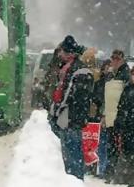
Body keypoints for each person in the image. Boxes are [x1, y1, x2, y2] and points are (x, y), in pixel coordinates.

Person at [51, 35, 94, 180]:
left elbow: (70, 97)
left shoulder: (78, 71)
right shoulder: (69, 68)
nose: (59, 54)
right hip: (69, 117)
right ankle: (72, 178)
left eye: (62, 51)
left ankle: (75, 179)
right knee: (69, 151)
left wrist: (60, 111)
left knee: (72, 153)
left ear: (69, 53)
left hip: (71, 118)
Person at [104, 49, 130, 183]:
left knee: (116, 147)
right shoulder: (112, 74)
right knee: (112, 147)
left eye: (117, 58)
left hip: (118, 118)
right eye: (113, 58)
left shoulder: (125, 75)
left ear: (123, 59)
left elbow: (125, 99)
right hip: (110, 117)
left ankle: (115, 174)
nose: (114, 61)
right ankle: (111, 173)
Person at [92, 59, 113, 177]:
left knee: (105, 143)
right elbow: (96, 98)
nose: (107, 69)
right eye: (106, 67)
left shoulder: (112, 83)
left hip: (108, 115)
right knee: (101, 143)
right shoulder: (99, 83)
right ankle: (101, 168)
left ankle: (104, 168)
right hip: (99, 116)